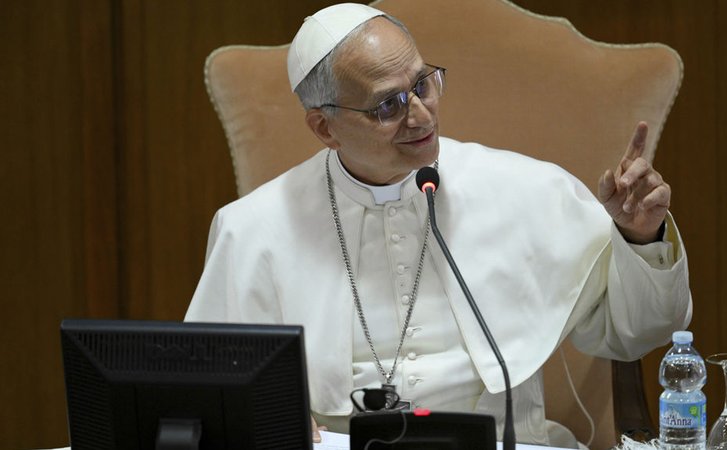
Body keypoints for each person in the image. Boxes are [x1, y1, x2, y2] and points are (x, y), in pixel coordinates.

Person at [186, 3, 692, 447]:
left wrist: (639, 238)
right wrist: (264, 416)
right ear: (325, 127)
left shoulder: (529, 191)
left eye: (422, 84)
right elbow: (209, 395)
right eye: (389, 105)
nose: (422, 115)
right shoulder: (252, 230)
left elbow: (636, 334)